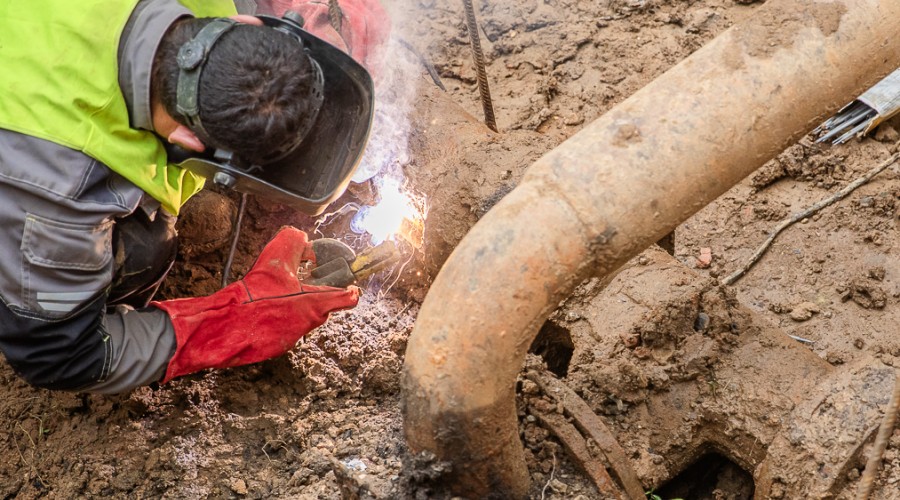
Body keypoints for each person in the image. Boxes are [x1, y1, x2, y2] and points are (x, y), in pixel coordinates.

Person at [0, 0, 387, 394]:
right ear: (186, 139)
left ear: (247, 23)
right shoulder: (59, 193)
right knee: (144, 248)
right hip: (23, 147)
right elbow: (59, 353)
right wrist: (232, 323)